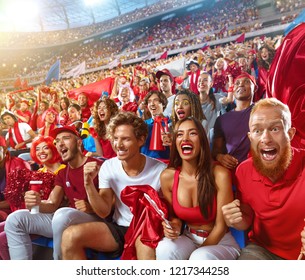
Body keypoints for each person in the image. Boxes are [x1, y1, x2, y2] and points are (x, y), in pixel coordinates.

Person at [60, 112, 167, 260]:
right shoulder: (108, 166)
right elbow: (103, 211)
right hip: (120, 227)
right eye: (115, 139)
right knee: (69, 236)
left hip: (147, 229)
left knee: (145, 249)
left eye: (126, 139)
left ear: (141, 140)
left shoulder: (160, 170)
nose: (119, 145)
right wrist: (88, 184)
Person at [221, 98, 305, 260]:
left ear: (290, 134)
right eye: (257, 131)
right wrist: (236, 219)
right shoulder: (243, 171)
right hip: (262, 251)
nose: (266, 139)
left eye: (274, 129)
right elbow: (246, 218)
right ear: (250, 137)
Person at [4, 126, 102, 260]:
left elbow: (112, 205)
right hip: (64, 220)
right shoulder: (62, 173)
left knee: (62, 215)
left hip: (94, 219)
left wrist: (92, 207)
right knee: (15, 219)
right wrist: (36, 203)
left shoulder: (97, 165)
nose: (60, 143)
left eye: (66, 138)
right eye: (57, 141)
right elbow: (52, 203)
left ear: (79, 142)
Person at [156, 117, 240, 260]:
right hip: (189, 237)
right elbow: (175, 216)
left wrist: (190, 263)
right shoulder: (167, 177)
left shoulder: (220, 174)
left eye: (192, 133)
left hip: (220, 241)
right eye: (180, 134)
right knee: (164, 249)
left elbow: (220, 227)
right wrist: (174, 225)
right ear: (175, 142)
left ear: (202, 140)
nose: (185, 139)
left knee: (200, 258)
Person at [0, 135, 65, 260]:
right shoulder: (38, 173)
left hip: (50, 217)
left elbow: (55, 203)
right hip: (34, 214)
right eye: (38, 149)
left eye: (45, 148)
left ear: (54, 149)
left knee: (2, 240)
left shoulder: (64, 170)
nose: (41, 152)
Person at [212, 72, 256, 181]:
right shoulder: (222, 119)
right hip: (232, 177)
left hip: (258, 173)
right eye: (237, 83)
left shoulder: (262, 111)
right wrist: (221, 157)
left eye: (246, 82)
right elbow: (216, 151)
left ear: (254, 88)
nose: (241, 85)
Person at [140, 90, 170, 162]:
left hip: (165, 163)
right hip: (146, 163)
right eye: (149, 102)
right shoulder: (142, 125)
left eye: (155, 100)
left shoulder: (171, 124)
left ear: (163, 104)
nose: (152, 104)